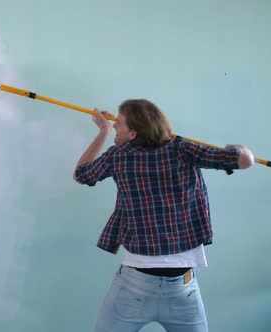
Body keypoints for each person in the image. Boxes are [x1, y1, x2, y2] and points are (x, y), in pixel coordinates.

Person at [74, 99, 254, 332]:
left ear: (133, 133)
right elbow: (245, 160)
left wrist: (102, 133)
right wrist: (239, 148)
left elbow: (81, 174)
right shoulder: (183, 148)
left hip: (132, 287)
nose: (113, 125)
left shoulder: (118, 155)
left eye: (118, 123)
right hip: (183, 289)